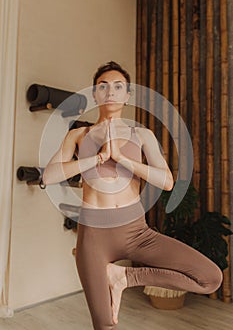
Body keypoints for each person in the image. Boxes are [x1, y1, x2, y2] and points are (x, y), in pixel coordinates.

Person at [42, 61, 223, 330]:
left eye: (118, 86)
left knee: (210, 277)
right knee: (104, 325)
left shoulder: (142, 135)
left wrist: (121, 160)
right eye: (103, 86)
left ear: (127, 96)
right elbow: (49, 177)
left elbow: (167, 182)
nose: (110, 91)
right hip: (94, 235)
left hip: (137, 232)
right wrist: (96, 160)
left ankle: (124, 277)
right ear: (95, 94)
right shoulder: (78, 136)